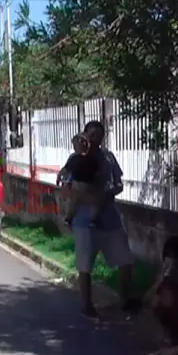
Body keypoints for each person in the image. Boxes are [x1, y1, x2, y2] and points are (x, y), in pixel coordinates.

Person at [72, 120, 135, 318]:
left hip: (109, 216)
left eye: (99, 134)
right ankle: (86, 304)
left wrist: (110, 192)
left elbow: (119, 184)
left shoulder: (108, 158)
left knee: (125, 260)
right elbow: (70, 188)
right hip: (84, 218)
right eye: (92, 134)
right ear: (85, 134)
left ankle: (124, 299)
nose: (96, 138)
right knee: (85, 265)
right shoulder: (77, 158)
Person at [57, 132, 96, 226]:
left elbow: (65, 170)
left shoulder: (89, 158)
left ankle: (70, 218)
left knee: (76, 200)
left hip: (85, 183)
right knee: (72, 200)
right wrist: (60, 177)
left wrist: (60, 176)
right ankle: (69, 217)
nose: (75, 146)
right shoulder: (74, 157)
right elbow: (66, 169)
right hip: (78, 183)